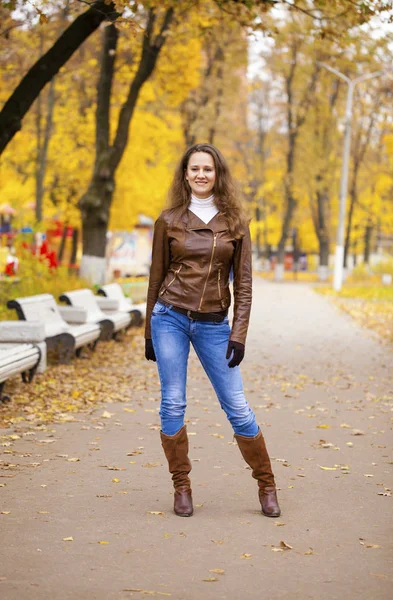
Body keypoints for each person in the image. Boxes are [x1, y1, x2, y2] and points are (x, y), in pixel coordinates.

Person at [144, 143, 280, 519]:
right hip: (169, 316)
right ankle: (181, 487)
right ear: (185, 175)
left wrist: (239, 334)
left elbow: (245, 285)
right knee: (172, 402)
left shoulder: (235, 223)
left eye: (208, 169)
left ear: (217, 174)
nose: (201, 175)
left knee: (236, 405)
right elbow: (156, 277)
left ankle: (266, 485)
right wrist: (147, 332)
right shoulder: (169, 219)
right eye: (194, 169)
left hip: (213, 324)